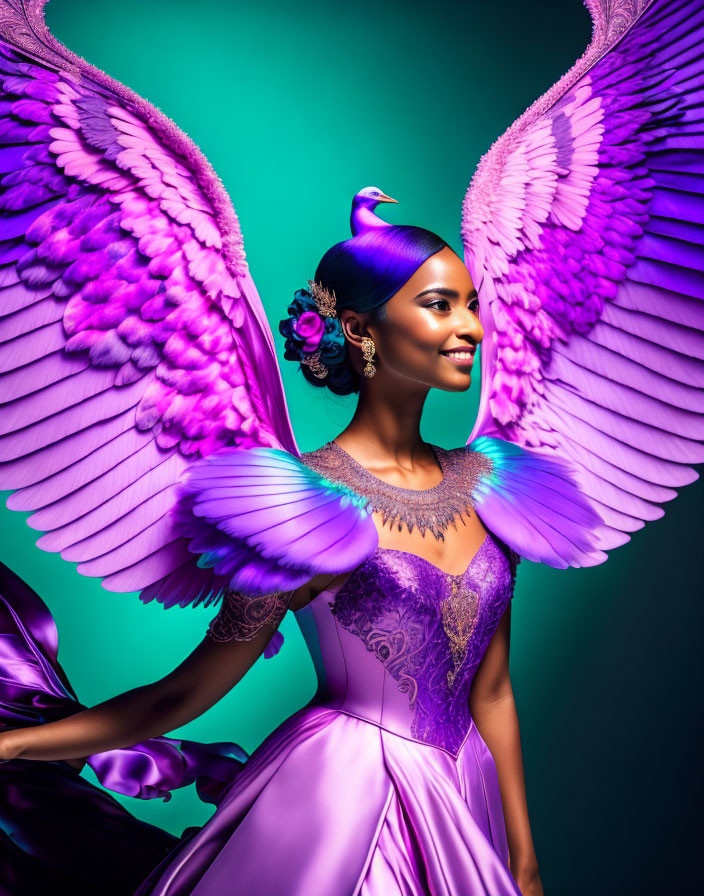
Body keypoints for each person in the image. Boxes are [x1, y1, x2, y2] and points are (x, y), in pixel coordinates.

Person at [1, 1, 702, 895]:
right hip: (340, 802)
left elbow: (491, 694)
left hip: (464, 802)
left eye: (469, 301)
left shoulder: (497, 485)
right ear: (367, 333)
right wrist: (20, 744)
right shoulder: (300, 510)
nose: (472, 328)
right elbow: (185, 695)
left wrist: (524, 861)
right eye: (439, 305)